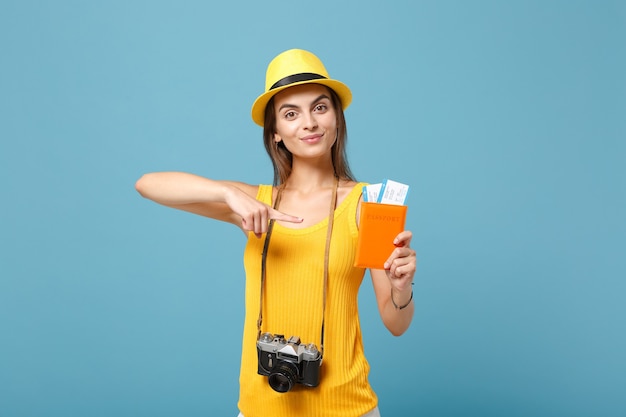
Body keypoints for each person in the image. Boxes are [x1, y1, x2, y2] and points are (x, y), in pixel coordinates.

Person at [135, 48, 417, 417]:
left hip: (346, 407)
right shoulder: (255, 204)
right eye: (290, 114)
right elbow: (147, 184)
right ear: (276, 134)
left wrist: (401, 288)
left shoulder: (370, 205)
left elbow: (396, 323)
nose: (309, 123)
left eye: (320, 108)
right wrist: (227, 194)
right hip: (261, 407)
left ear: (336, 118)